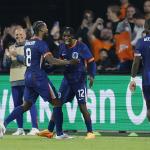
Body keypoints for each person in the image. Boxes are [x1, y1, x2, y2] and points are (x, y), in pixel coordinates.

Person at [0, 21, 78, 138]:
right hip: (39, 77)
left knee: (26, 105)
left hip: (28, 76)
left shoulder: (28, 43)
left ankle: (4, 123)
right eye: (46, 27)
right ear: (41, 30)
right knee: (57, 102)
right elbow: (51, 60)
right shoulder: (41, 44)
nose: (47, 29)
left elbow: (30, 61)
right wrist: (68, 62)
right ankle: (60, 134)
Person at [37, 27, 96, 139]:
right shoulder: (62, 47)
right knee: (57, 103)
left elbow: (91, 62)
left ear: (73, 36)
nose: (65, 38)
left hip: (79, 81)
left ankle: (90, 132)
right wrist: (46, 70)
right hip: (67, 80)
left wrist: (92, 75)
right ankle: (49, 130)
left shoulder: (81, 46)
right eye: (64, 36)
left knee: (82, 105)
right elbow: (58, 63)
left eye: (68, 36)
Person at [3, 27, 39, 135]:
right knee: (17, 105)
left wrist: (15, 56)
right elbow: (5, 65)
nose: (19, 36)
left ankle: (35, 128)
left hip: (27, 79)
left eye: (21, 34)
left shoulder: (30, 46)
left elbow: (29, 61)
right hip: (14, 80)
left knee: (30, 103)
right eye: (17, 35)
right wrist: (8, 57)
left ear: (25, 34)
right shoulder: (11, 47)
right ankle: (20, 129)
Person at [129, 19, 150, 122]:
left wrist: (132, 79)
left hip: (147, 79)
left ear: (145, 27)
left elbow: (136, 62)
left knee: (149, 108)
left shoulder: (141, 42)